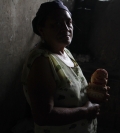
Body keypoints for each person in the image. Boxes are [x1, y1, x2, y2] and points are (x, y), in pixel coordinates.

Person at [21, 0, 110, 133]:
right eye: (56, 23)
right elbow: (43, 116)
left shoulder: (65, 52)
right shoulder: (42, 61)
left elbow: (71, 91)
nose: (65, 28)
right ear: (41, 29)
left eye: (68, 22)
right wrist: (86, 111)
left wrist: (93, 94)